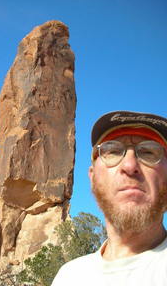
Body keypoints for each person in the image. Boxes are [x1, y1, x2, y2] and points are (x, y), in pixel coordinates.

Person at [51, 110, 167, 286]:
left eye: (149, 152)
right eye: (112, 151)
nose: (129, 165)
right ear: (93, 178)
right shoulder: (68, 277)